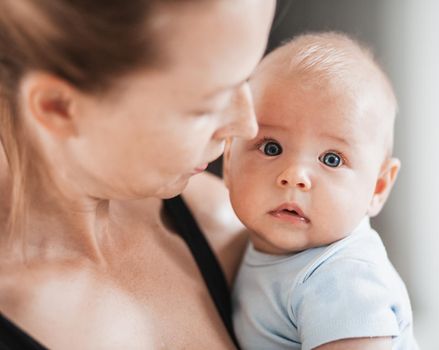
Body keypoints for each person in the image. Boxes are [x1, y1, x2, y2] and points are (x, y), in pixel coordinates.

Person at [0, 0, 275, 348]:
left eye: (247, 76)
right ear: (59, 106)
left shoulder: (234, 228)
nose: (246, 125)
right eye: (206, 107)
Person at [224, 32, 419, 349]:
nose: (294, 176)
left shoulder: (345, 279)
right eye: (271, 147)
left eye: (332, 159)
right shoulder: (253, 247)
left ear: (378, 187)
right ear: (229, 158)